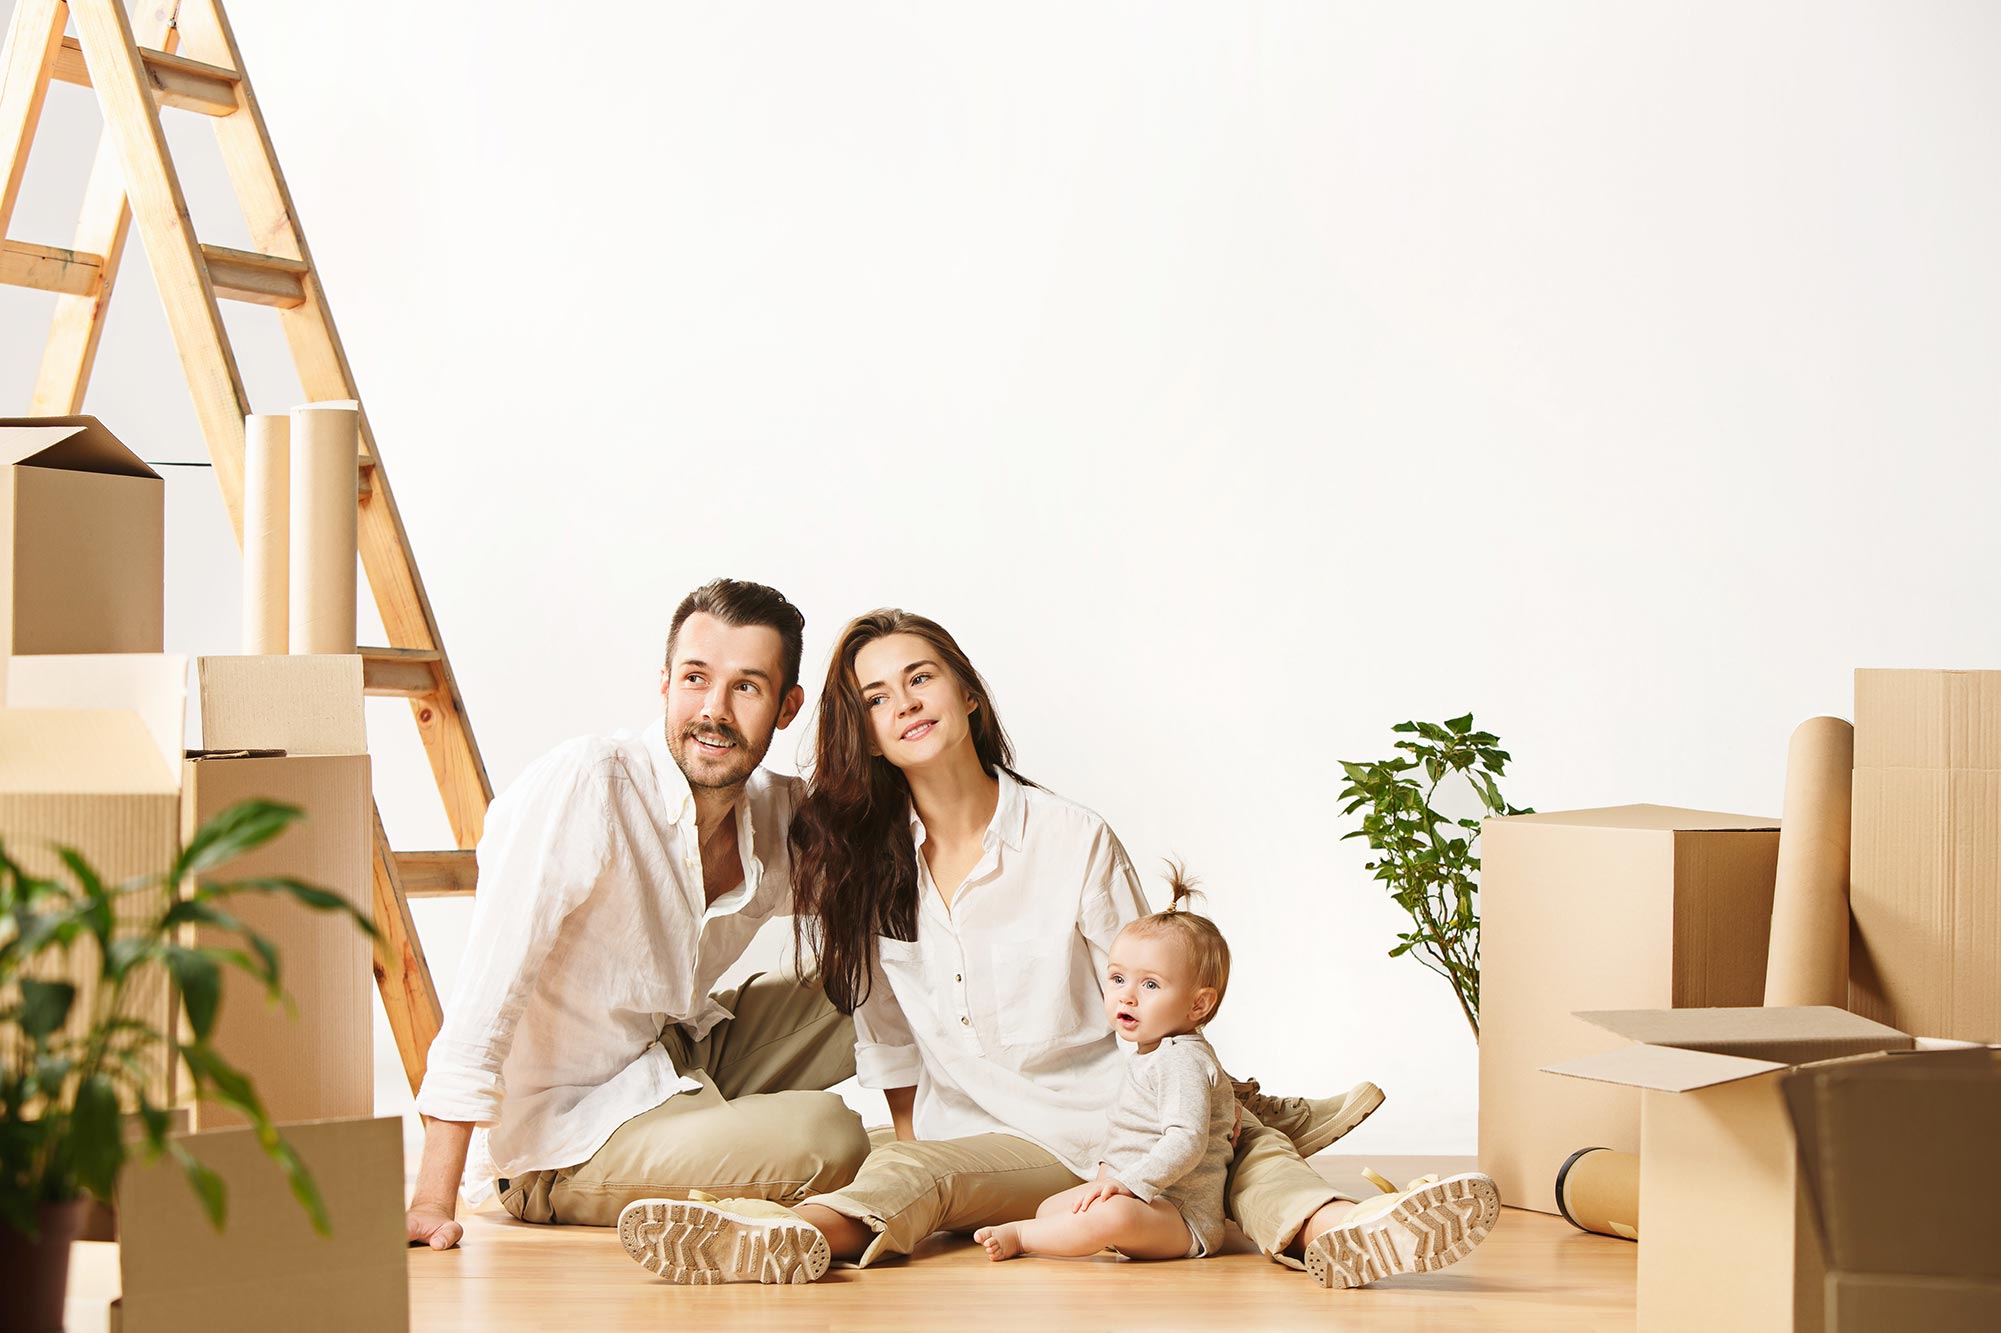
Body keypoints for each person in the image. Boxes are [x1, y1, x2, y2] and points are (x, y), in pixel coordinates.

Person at [615, 609, 1484, 1287]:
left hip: (1123, 1115)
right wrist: (920, 1143)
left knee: (1236, 1148)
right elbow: (887, 1036)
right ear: (866, 733)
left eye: (920, 678)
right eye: (876, 697)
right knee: (913, 1173)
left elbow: (1155, 990)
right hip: (1000, 1140)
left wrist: (1176, 1124)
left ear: (967, 694)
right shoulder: (864, 867)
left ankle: (1346, 1231)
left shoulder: (1070, 838)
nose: (904, 702)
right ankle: (781, 1239)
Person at [404, 580, 870, 1251]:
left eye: (746, 687)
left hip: (667, 1062)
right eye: (695, 678)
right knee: (829, 1135)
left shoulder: (773, 811)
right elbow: (486, 995)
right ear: (663, 683)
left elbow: (889, 889)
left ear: (788, 706)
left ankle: (924, 1153)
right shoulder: (587, 785)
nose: (713, 709)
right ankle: (759, 1163)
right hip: (564, 1139)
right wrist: (430, 1196)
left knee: (872, 978)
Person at [975, 876, 1237, 1263]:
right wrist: (1106, 1176)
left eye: (1150, 984)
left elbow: (1187, 1140)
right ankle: (1078, 1229)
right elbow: (1130, 1133)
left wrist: (1127, 1185)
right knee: (1052, 1210)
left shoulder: (1182, 1059)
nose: (1126, 995)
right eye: (1117, 978)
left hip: (1179, 1214)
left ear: (1198, 1005)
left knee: (1109, 1215)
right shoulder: (1151, 1053)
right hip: (1142, 1197)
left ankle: (1022, 1237)